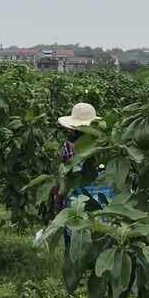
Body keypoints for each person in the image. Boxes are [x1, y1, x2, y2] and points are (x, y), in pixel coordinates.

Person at [52, 102, 99, 252]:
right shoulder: (103, 145)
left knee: (75, 245)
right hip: (103, 204)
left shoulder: (68, 147)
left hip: (76, 204)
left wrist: (57, 207)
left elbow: (61, 181)